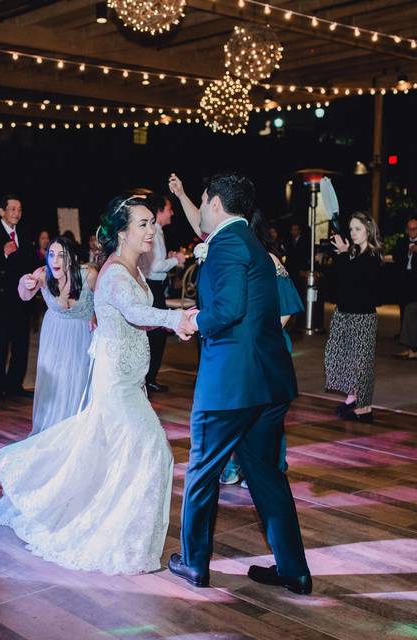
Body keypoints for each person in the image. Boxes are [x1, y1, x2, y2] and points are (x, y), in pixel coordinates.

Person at [0, 194, 196, 575]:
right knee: (153, 450)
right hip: (115, 379)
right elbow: (133, 310)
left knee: (115, 451)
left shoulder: (129, 268)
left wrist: (161, 320)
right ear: (121, 232)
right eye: (143, 224)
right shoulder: (116, 273)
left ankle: (122, 531)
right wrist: (174, 318)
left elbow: (125, 315)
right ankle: (123, 540)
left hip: (130, 377)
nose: (151, 230)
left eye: (152, 222)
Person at [164, 172, 310, 594]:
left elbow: (227, 309)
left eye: (203, 201)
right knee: (266, 475)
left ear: (213, 203)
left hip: (230, 385)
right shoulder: (255, 246)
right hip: (269, 382)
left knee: (202, 471)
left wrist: (193, 322)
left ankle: (194, 563)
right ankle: (293, 569)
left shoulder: (227, 244)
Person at [220, 210, 304, 486]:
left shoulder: (271, 262)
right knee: (238, 409)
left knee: (267, 413)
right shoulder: (236, 261)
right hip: (242, 349)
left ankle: (268, 465)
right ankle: (237, 463)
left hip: (268, 348)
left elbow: (286, 310)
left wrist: (259, 337)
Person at [18, 235, 96, 435]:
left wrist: (96, 315)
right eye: (51, 255)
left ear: (72, 258)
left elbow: (106, 301)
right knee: (57, 382)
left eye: (61, 255)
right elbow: (25, 296)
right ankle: (52, 431)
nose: (55, 260)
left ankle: (76, 433)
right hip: (54, 336)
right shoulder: (42, 275)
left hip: (82, 335)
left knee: (79, 381)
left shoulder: (89, 275)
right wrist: (25, 282)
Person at [324, 212, 384, 423]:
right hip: (345, 313)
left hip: (362, 317)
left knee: (362, 363)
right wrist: (344, 252)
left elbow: (352, 277)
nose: (353, 233)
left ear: (368, 230)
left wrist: (342, 254)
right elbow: (340, 279)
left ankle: (364, 408)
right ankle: (352, 398)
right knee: (340, 357)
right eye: (351, 229)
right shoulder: (354, 253)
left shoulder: (373, 255)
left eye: (357, 229)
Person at [0, 195, 36, 402]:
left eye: (19, 209)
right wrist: (2, 254)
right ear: (1, 212)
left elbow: (29, 261)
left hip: (21, 300)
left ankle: (15, 385)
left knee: (21, 346)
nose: (16, 213)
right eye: (12, 209)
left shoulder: (24, 232)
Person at [139, 192, 186, 393]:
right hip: (152, 286)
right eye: (169, 209)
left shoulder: (157, 232)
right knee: (155, 335)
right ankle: (149, 379)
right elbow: (156, 265)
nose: (172, 213)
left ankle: (149, 378)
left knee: (155, 334)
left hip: (152, 285)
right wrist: (178, 260)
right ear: (159, 211)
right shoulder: (154, 233)